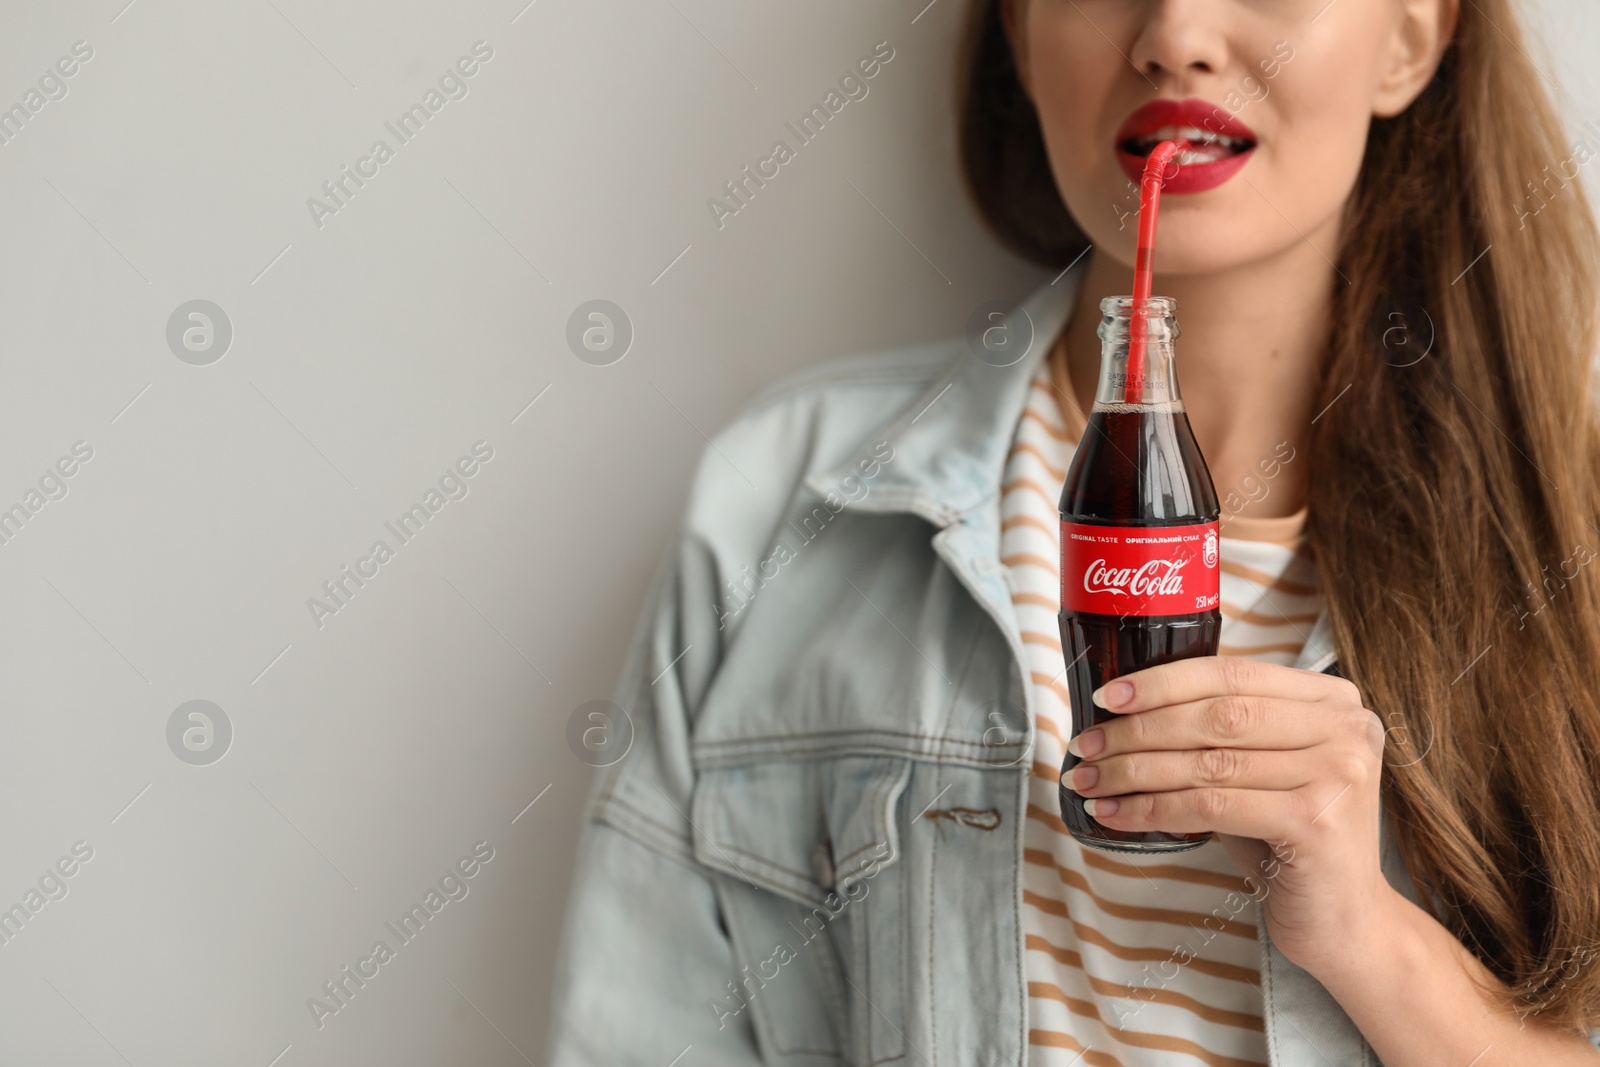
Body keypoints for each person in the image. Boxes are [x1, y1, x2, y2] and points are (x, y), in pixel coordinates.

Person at [545, 0, 1600, 1063]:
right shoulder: (782, 504)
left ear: (1412, 37)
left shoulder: (1576, 552)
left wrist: (1370, 939)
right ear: (1017, 34)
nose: (1175, 34)